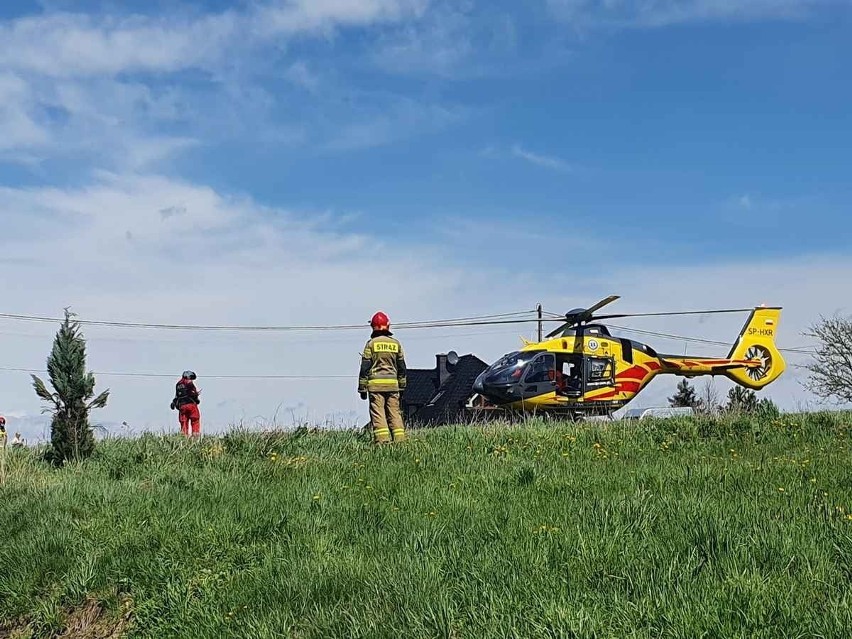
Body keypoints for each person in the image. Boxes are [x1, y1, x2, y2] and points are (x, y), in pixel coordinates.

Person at [358, 312, 407, 444]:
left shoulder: (371, 344)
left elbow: (364, 368)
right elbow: (402, 367)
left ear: (373, 327)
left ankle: (382, 441)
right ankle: (400, 440)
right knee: (394, 412)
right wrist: (402, 386)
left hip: (375, 386)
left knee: (378, 412)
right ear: (388, 326)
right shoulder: (396, 344)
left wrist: (362, 388)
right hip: (393, 386)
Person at [171, 371, 201, 437]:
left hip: (182, 407)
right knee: (195, 420)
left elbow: (177, 396)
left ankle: (184, 439)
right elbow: (193, 393)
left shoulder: (178, 384)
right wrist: (197, 399)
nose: (191, 380)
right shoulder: (189, 383)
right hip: (191, 405)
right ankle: (195, 439)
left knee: (183, 422)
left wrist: (173, 403)